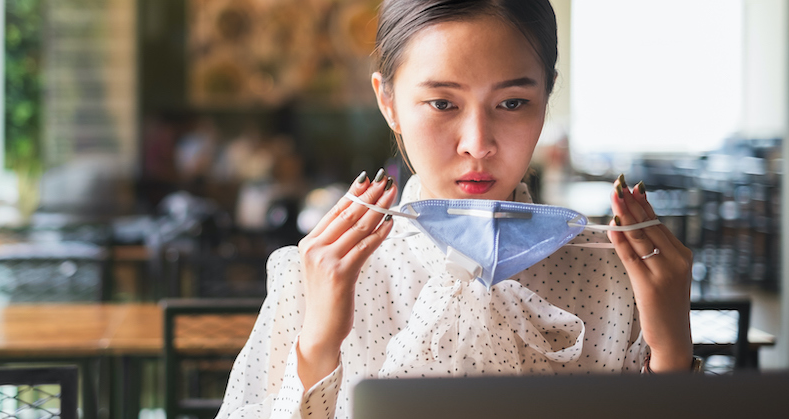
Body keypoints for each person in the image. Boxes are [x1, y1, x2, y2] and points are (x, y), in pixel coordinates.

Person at [217, 1, 695, 418]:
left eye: (512, 102)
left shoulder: (615, 273)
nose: (478, 145)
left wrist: (672, 354)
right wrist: (319, 346)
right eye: (443, 103)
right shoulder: (312, 275)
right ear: (389, 102)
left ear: (546, 97)